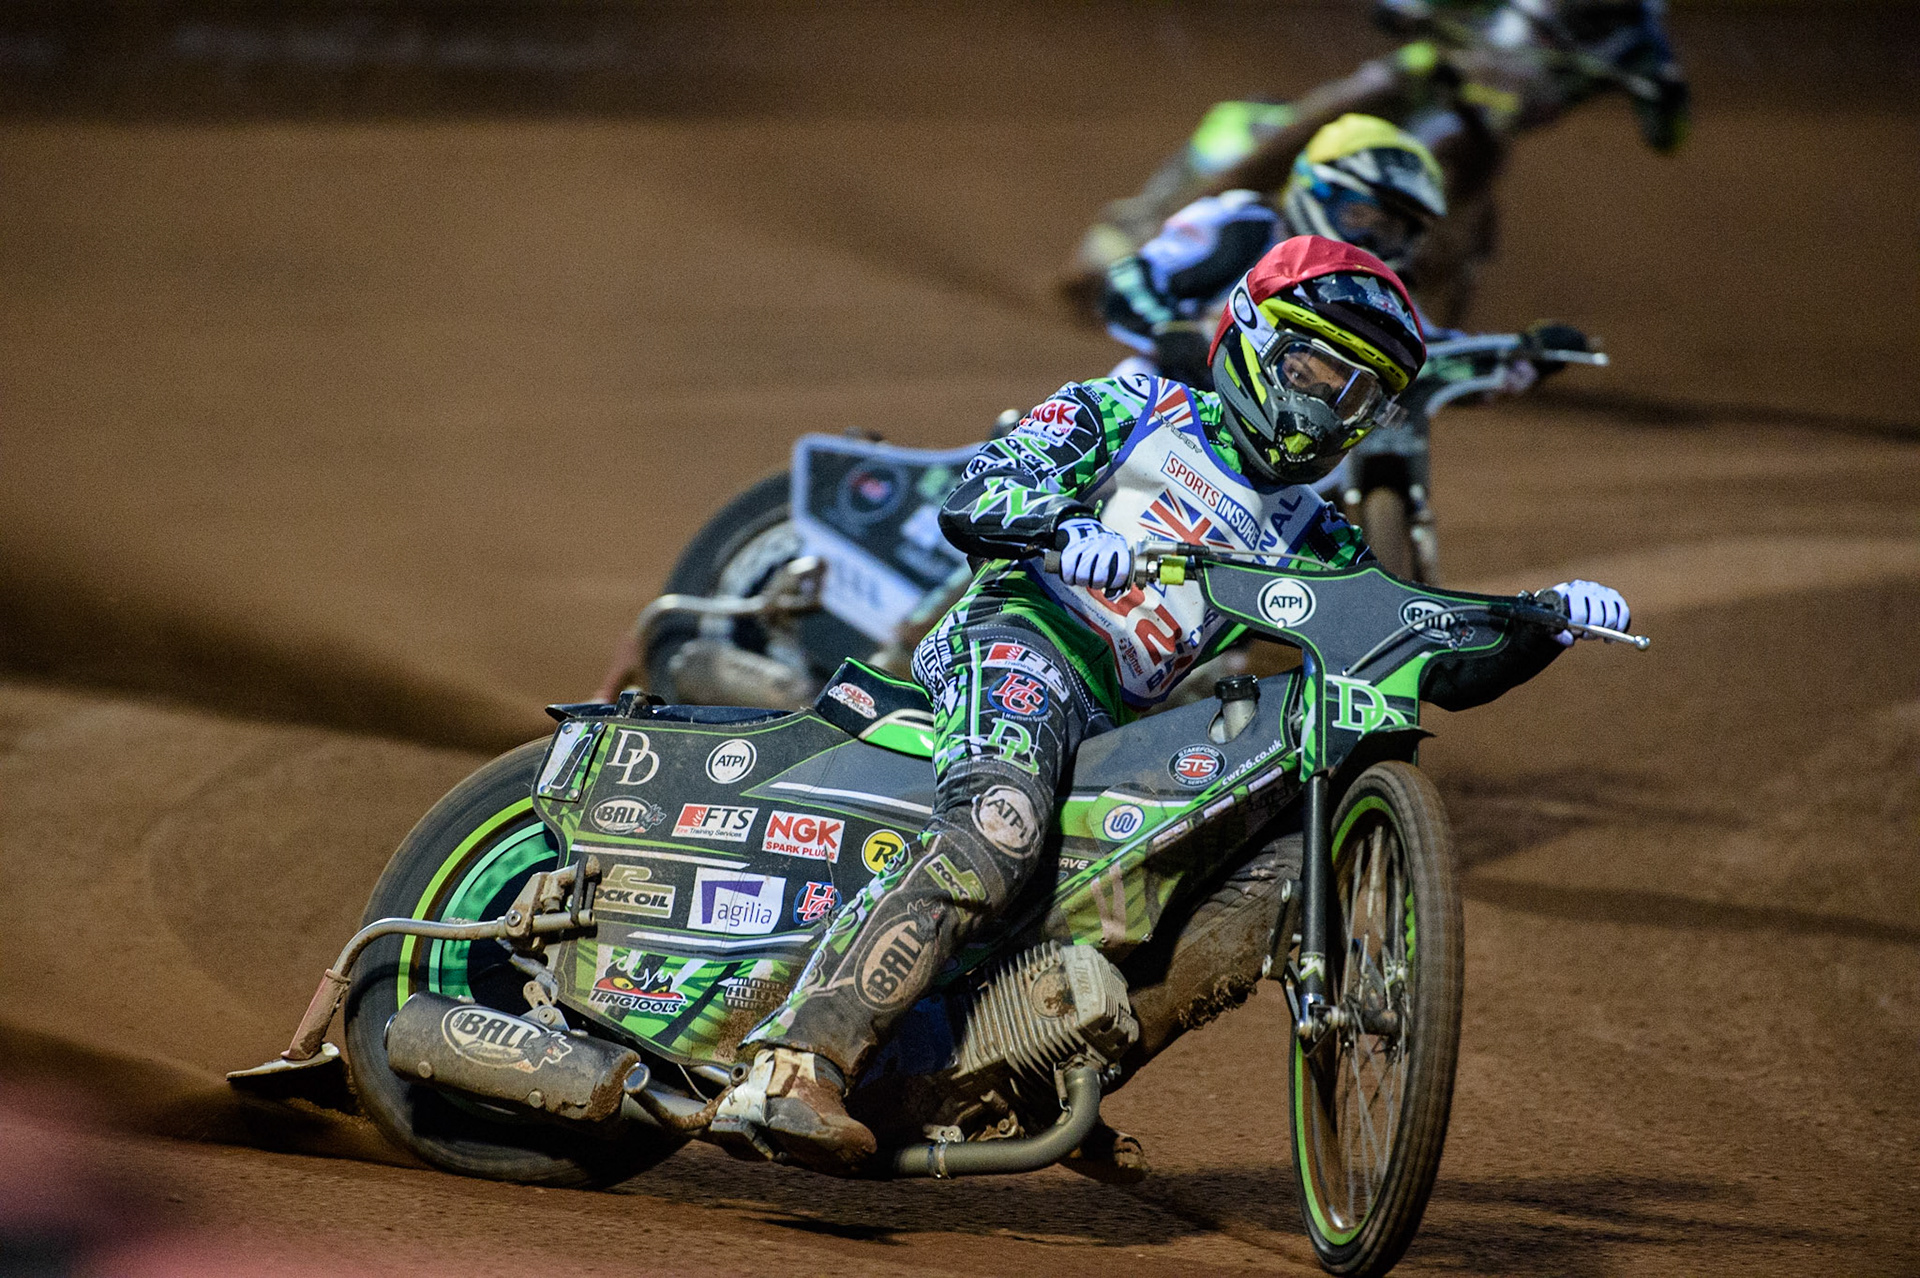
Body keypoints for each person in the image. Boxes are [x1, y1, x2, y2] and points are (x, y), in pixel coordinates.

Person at [712, 236, 1629, 1173]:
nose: (1329, 407)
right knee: (1000, 824)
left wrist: (1543, 625)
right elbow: (981, 488)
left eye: (1360, 395)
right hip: (1018, 639)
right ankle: (794, 1063)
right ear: (1254, 338)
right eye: (1316, 371)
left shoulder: (1319, 537)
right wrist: (1063, 527)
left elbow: (1431, 662)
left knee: (1209, 880)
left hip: (1120, 717)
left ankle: (1028, 1068)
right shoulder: (1136, 408)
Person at [1102, 113, 1448, 387]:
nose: (1370, 240)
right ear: (1319, 189)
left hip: (1288, 435)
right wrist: (1170, 330)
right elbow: (1128, 278)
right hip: (1174, 401)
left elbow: (1425, 350)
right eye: (1359, 216)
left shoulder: (1374, 289)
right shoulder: (1245, 223)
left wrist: (1479, 362)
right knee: (1133, 385)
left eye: (1391, 232)